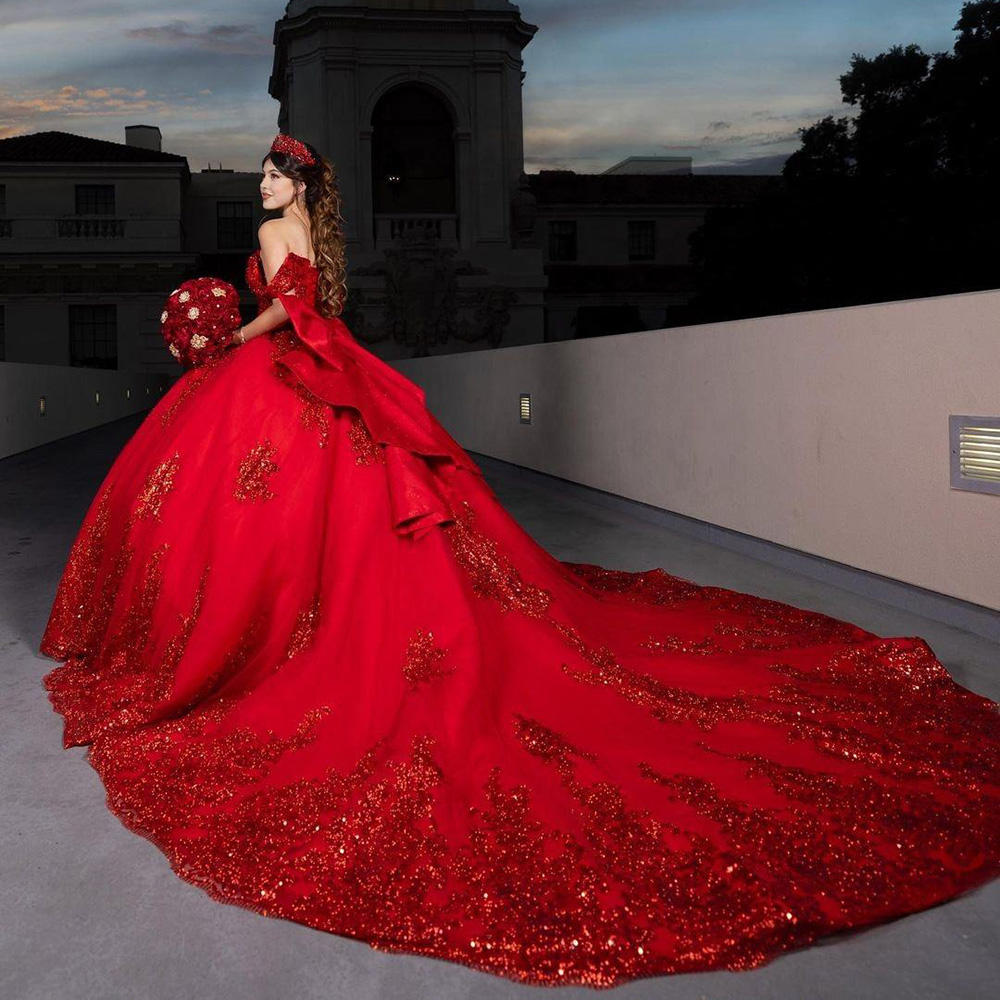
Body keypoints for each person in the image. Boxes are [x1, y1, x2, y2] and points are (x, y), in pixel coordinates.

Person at [38, 133, 999, 989]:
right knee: (347, 504)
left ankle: (265, 629)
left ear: (297, 190)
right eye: (261, 174)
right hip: (316, 371)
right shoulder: (309, 238)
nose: (261, 184)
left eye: (272, 175)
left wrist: (222, 339)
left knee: (252, 507)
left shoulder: (277, 237)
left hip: (280, 368)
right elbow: (313, 303)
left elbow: (289, 315)